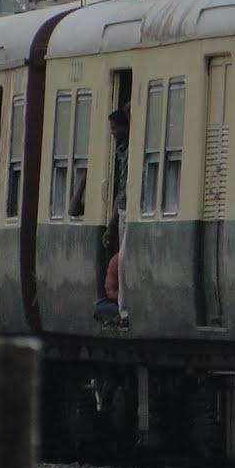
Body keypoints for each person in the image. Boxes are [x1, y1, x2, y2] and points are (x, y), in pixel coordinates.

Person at [103, 109, 130, 314]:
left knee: (123, 259)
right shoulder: (122, 150)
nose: (112, 133)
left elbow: (123, 190)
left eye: (114, 128)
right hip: (122, 210)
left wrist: (112, 223)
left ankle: (123, 309)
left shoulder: (128, 152)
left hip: (126, 211)